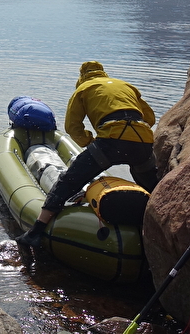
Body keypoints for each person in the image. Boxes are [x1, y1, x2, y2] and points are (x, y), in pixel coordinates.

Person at [17, 61, 159, 247]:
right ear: (103, 73)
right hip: (143, 142)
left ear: (81, 77)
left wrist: (89, 142)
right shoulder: (125, 86)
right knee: (152, 186)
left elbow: (72, 127)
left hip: (111, 141)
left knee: (69, 181)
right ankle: (157, 225)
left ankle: (36, 232)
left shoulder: (83, 89)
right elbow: (149, 118)